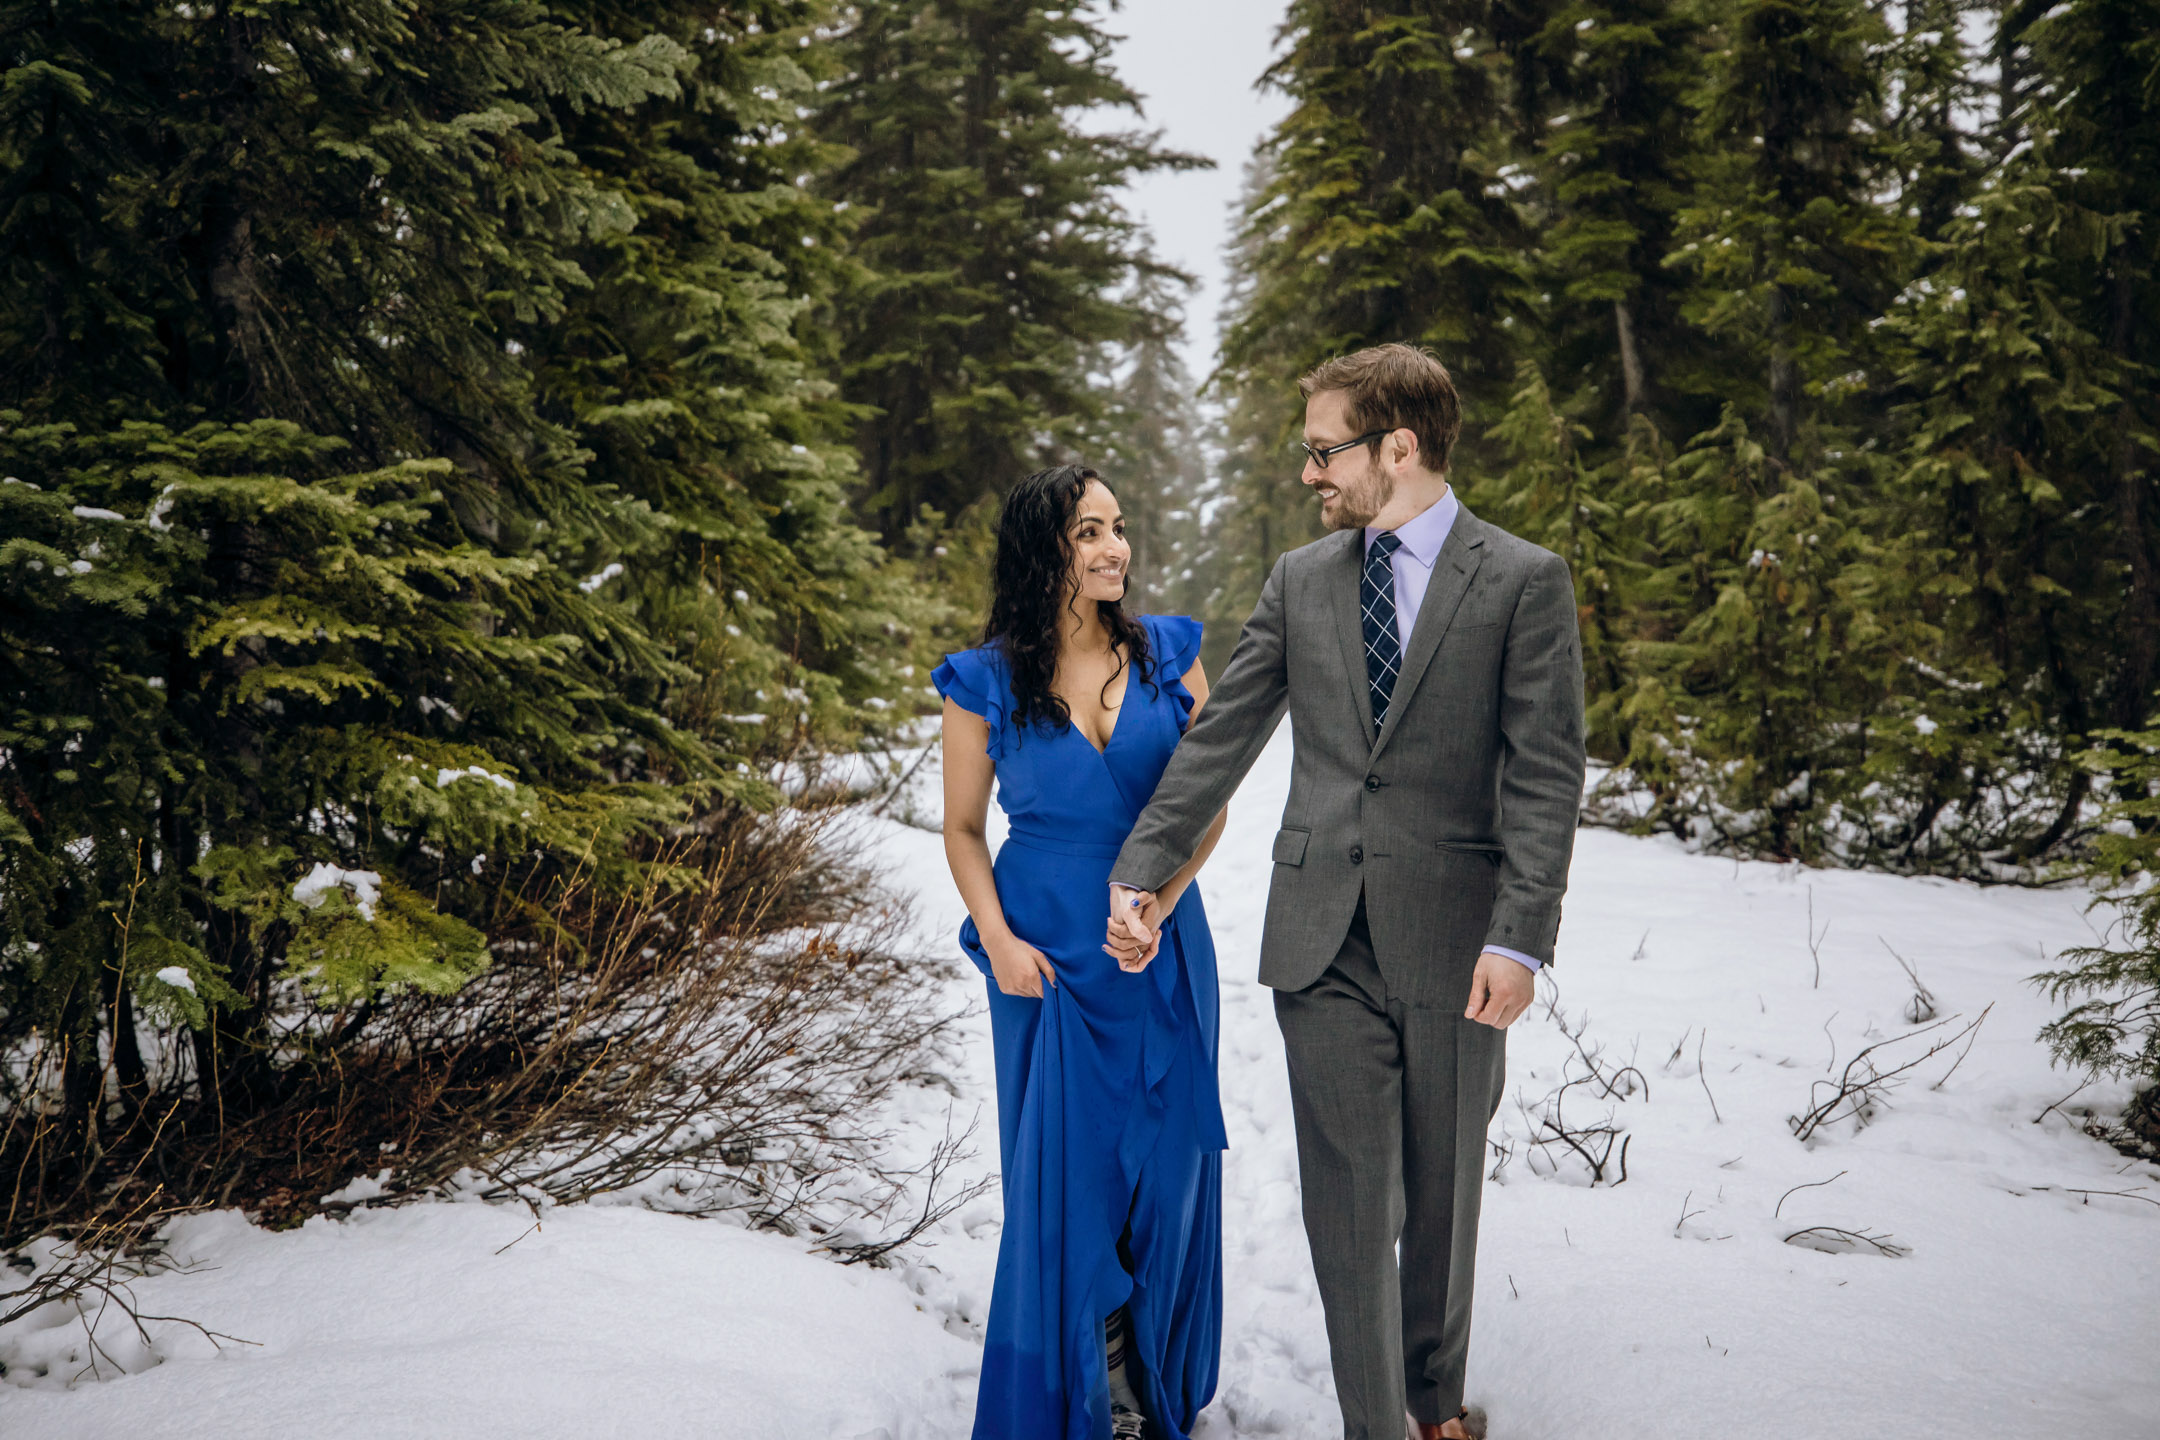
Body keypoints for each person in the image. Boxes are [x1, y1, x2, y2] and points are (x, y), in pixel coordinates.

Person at [1105, 344, 1586, 1440]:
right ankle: (1382, 1427)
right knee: (1352, 1207)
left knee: (1442, 1195)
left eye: (1327, 452)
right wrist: (1143, 867)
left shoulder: (1520, 580)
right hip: (1320, 942)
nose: (1312, 475)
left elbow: (1547, 771)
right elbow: (1221, 738)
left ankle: (1431, 1404)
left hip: (1459, 943)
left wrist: (1522, 938)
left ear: (1399, 448)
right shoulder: (1300, 581)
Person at [936, 464, 1229, 1440]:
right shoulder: (983, 679)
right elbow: (965, 830)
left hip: (1158, 944)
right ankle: (1094, 1400)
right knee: (1064, 1183)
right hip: (1046, 960)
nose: (1115, 547)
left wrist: (1160, 901)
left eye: (1119, 526)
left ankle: (1150, 1377)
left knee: (1168, 1173)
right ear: (1043, 551)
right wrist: (1001, 942)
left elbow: (1209, 803)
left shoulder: (1169, 654)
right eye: (1089, 531)